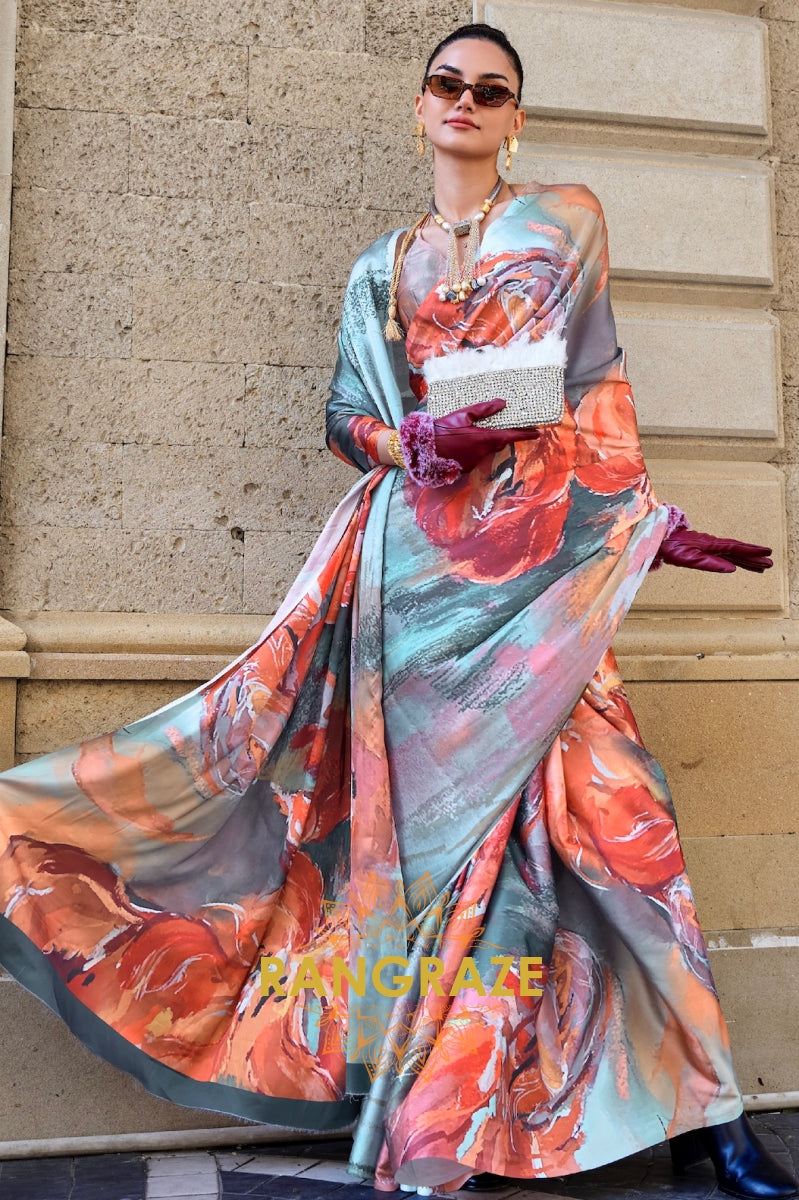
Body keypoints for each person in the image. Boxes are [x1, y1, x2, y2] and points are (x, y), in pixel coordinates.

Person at [0, 20, 794, 1200]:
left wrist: (637, 529)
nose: (466, 101)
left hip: (538, 579)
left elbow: (592, 389)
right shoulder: (383, 267)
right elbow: (343, 418)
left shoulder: (564, 219)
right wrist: (405, 439)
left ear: (516, 115)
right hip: (413, 589)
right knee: (439, 873)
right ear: (418, 109)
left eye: (491, 88)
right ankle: (452, 1114)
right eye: (446, 84)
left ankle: (708, 1116)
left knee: (628, 831)